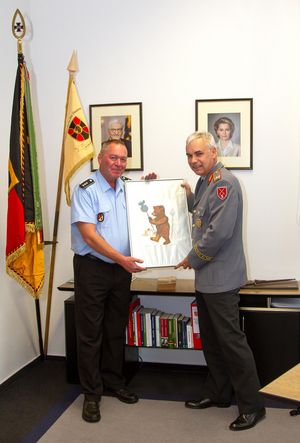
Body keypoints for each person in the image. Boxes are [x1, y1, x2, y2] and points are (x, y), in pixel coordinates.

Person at [175, 132, 265, 431]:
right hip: (207, 278)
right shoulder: (205, 181)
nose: (193, 160)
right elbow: (201, 213)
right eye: (189, 155)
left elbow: (219, 232)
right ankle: (218, 394)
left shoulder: (224, 182)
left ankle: (252, 406)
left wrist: (192, 258)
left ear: (213, 152)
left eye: (199, 154)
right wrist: (181, 193)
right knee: (212, 342)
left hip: (222, 278)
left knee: (232, 343)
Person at [71, 139, 155, 423]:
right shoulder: (86, 190)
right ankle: (91, 395)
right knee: (90, 333)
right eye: (113, 158)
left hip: (121, 272)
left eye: (123, 159)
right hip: (93, 269)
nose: (119, 163)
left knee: (115, 329)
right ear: (100, 158)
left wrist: (153, 188)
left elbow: (147, 210)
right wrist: (121, 259)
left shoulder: (129, 187)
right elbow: (89, 236)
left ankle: (114, 382)